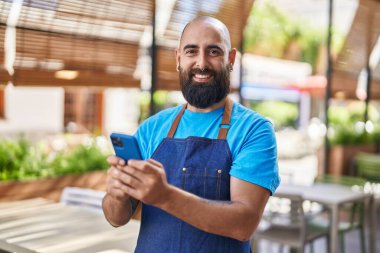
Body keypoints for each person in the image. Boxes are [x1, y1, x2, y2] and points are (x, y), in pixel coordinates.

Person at [102, 16, 280, 253]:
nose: (201, 63)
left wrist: (165, 196)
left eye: (214, 51)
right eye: (191, 51)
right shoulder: (152, 128)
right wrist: (116, 195)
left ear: (231, 59)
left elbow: (244, 223)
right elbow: (117, 218)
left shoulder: (254, 130)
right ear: (178, 59)